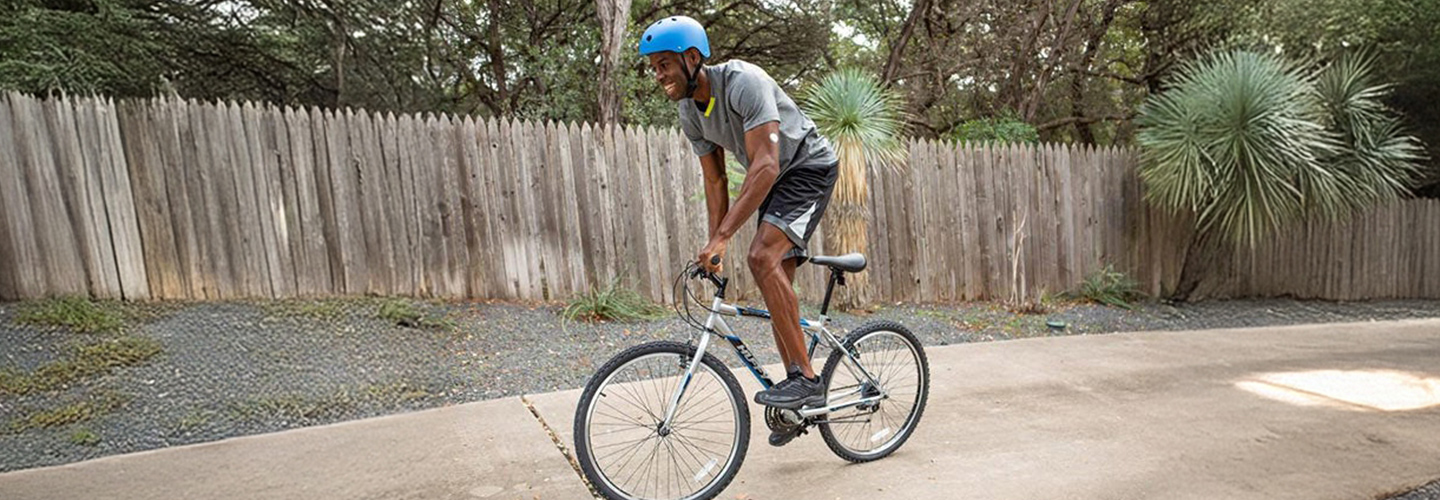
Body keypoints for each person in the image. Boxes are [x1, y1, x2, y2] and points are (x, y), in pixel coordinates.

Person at [638, 15, 840, 446]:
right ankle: (798, 396)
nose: (658, 76)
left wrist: (725, 237)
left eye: (664, 65)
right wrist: (715, 241)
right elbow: (715, 181)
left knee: (761, 258)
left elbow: (765, 164)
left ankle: (807, 380)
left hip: (807, 166)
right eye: (653, 67)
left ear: (692, 59)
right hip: (775, 175)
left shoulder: (744, 82)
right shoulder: (689, 111)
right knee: (774, 279)